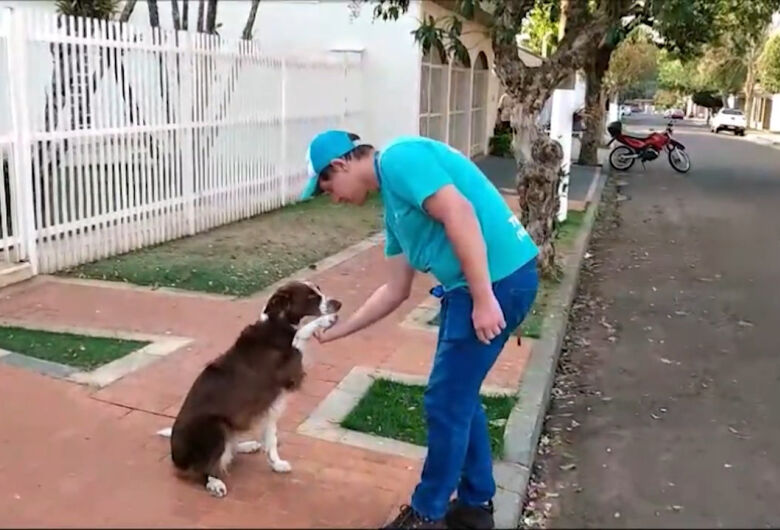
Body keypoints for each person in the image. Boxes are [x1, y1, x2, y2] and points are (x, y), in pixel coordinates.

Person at [300, 130, 539, 529]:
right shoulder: (394, 208)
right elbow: (395, 291)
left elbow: (459, 213)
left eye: (328, 187)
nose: (334, 198)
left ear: (341, 165)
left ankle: (427, 513)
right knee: (457, 396)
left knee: (446, 401)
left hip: (496, 281)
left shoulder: (399, 158)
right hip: (475, 287)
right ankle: (476, 505)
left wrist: (483, 298)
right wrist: (335, 331)